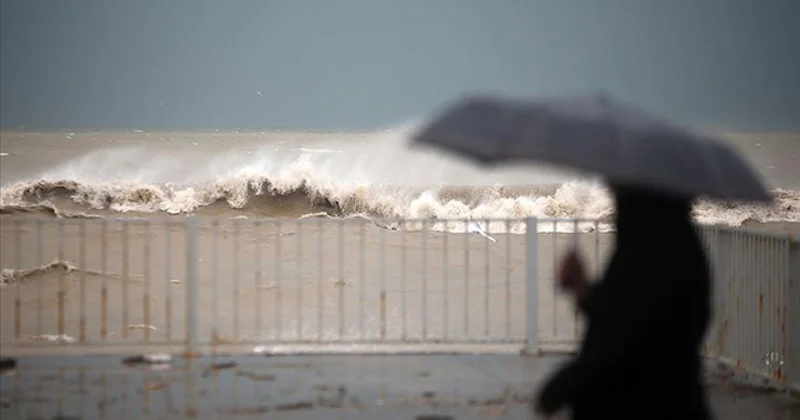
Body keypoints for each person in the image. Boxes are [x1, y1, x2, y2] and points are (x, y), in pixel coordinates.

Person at [533, 184, 714, 419]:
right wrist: (581, 287)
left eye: (620, 190)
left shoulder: (650, 253)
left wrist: (562, 387)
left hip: (643, 404)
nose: (614, 194)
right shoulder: (671, 245)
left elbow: (625, 341)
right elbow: (619, 311)